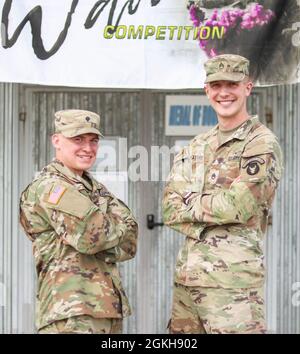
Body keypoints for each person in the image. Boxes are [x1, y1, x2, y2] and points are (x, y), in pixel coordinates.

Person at [162, 54, 283, 334]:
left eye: (232, 84)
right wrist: (211, 206)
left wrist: (190, 202)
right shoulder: (196, 146)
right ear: (207, 90)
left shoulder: (260, 143)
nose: (224, 92)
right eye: (216, 85)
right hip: (187, 283)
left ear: (247, 88)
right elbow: (169, 209)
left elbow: (239, 205)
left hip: (233, 287)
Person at [19, 109, 138, 334]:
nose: (88, 148)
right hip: (71, 312)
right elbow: (91, 238)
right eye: (77, 139)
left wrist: (105, 233)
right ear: (57, 141)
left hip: (107, 309)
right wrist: (109, 233)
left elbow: (131, 240)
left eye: (93, 141)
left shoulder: (94, 187)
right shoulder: (51, 187)